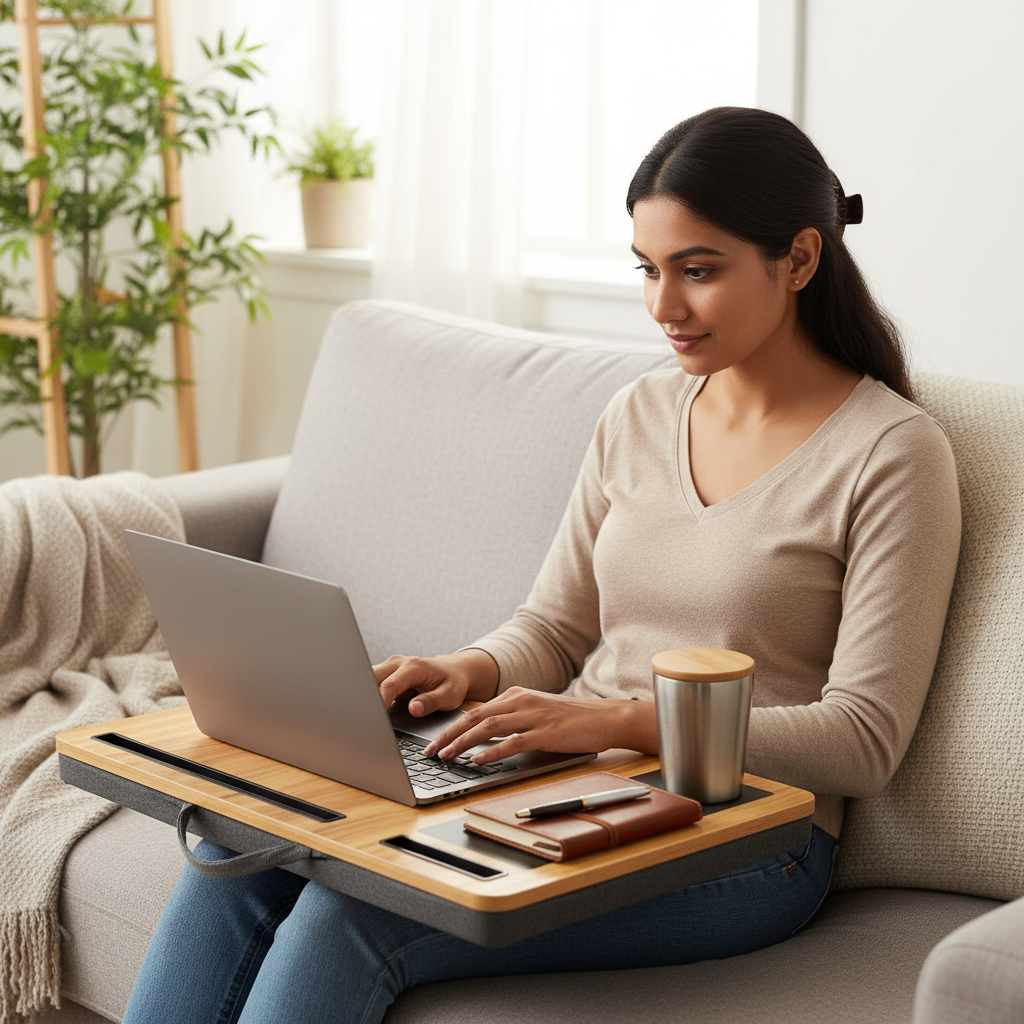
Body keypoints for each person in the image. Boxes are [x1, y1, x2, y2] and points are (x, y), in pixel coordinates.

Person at [122, 107, 960, 1024]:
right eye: (647, 269)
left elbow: (864, 740)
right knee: (240, 856)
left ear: (799, 259)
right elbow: (556, 627)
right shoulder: (640, 411)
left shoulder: (891, 454)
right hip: (565, 786)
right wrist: (469, 669)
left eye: (699, 271)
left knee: (347, 916)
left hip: (753, 837)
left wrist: (618, 722)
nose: (662, 307)